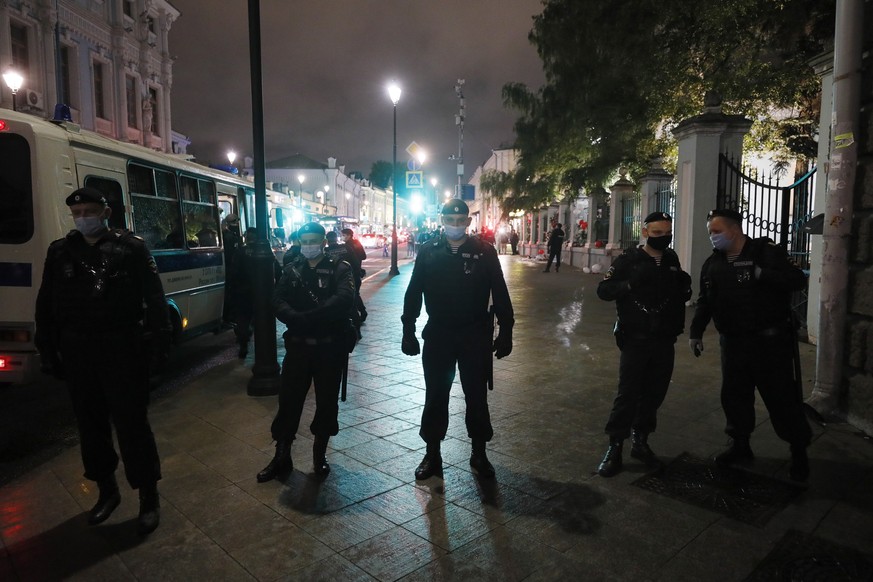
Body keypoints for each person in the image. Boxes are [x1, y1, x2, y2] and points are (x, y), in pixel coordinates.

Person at [34, 187, 171, 535]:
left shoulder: (131, 249)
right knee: (91, 427)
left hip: (122, 350)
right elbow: (47, 304)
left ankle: (147, 497)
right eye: (78, 213)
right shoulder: (61, 251)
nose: (83, 218)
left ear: (106, 213)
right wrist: (48, 350)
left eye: (90, 211)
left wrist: (159, 351)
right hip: (79, 353)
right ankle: (106, 491)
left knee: (132, 426)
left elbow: (155, 301)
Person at [689, 209, 812, 481]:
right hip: (732, 343)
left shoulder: (766, 252)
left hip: (769, 343)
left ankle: (798, 451)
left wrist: (761, 274)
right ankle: (740, 445)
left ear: (735, 230)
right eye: (710, 232)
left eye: (717, 231)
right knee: (734, 396)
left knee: (781, 398)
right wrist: (695, 332)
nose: (713, 236)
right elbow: (705, 301)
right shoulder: (713, 263)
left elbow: (797, 280)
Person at [401, 199, 514, 480]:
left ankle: (479, 452)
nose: (455, 225)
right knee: (436, 395)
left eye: (460, 220)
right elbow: (414, 292)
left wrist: (507, 330)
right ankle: (432, 453)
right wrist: (408, 329)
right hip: (439, 334)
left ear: (467, 221)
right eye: (449, 220)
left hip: (474, 335)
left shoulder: (484, 252)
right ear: (442, 220)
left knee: (476, 397)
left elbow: (500, 292)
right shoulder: (428, 252)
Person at [595, 211, 692, 477]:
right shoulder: (629, 259)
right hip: (636, 339)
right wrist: (629, 284)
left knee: (654, 393)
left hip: (664, 339)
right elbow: (603, 290)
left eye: (667, 233)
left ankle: (641, 441)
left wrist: (683, 285)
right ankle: (615, 446)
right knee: (628, 394)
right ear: (646, 232)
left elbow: (677, 288)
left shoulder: (670, 258)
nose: (663, 238)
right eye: (657, 233)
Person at [257, 222, 356, 482]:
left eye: (314, 240)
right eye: (304, 241)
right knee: (289, 402)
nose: (309, 245)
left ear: (324, 241)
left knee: (326, 403)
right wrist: (294, 317)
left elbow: (345, 298)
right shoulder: (291, 270)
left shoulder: (339, 268)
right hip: (299, 348)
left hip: (329, 349)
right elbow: (277, 300)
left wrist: (309, 316)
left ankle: (319, 454)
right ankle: (282, 455)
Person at [342, 228, 368, 323]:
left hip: (351, 272)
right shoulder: (357, 243)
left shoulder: (346, 247)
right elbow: (364, 256)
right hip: (357, 272)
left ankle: (360, 313)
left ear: (349, 235)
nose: (343, 237)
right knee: (356, 293)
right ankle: (361, 312)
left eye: (344, 235)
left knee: (353, 294)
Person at [222, 214, 243, 322]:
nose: (236, 225)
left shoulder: (228, 235)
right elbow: (233, 254)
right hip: (230, 268)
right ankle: (230, 317)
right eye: (235, 223)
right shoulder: (230, 236)